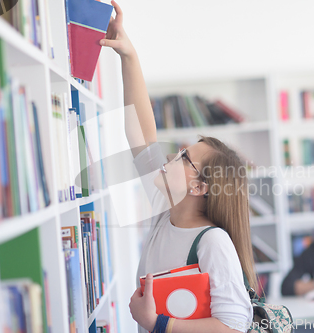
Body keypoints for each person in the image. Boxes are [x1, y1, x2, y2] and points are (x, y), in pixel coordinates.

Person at [99, 2, 256, 332]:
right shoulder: (162, 211)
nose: (172, 157)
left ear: (199, 187)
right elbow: (140, 131)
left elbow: (234, 326)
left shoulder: (213, 243)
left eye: (185, 158)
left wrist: (157, 324)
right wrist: (129, 55)